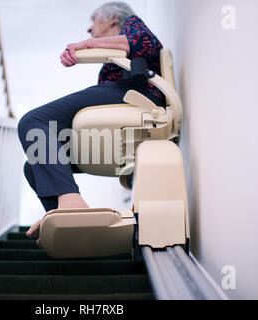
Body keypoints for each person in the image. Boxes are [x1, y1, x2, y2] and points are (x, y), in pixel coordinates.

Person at [17, 1, 165, 241]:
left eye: (94, 19)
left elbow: (144, 42)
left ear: (113, 18)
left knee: (34, 120)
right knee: (34, 163)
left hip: (136, 94)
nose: (89, 29)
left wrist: (85, 46)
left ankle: (71, 204)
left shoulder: (132, 23)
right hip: (124, 98)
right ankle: (71, 224)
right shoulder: (116, 48)